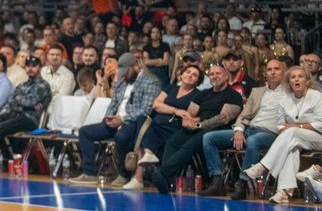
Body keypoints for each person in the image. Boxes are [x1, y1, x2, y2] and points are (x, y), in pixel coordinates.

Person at [148, 62, 244, 195]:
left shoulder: (233, 95)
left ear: (226, 76)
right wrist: (188, 121)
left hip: (220, 130)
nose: (214, 76)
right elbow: (190, 113)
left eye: (218, 73)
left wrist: (199, 124)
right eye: (211, 74)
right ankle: (167, 181)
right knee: (174, 140)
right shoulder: (203, 94)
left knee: (192, 142)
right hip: (200, 127)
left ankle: (163, 173)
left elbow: (223, 118)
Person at [199, 58, 288, 199]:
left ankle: (243, 182)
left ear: (284, 72)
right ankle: (217, 181)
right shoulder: (257, 91)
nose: (272, 72)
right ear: (265, 74)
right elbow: (243, 115)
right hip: (249, 129)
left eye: (276, 69)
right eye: (269, 69)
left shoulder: (289, 93)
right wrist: (239, 130)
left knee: (253, 141)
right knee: (209, 138)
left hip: (270, 133)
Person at [242, 66, 322, 203]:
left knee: (292, 132)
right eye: (293, 77)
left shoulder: (316, 96)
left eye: (300, 76)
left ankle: (263, 166)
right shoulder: (285, 98)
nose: (296, 79)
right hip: (295, 139)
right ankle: (283, 192)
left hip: (320, 137)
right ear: (289, 82)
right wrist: (283, 129)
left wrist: (296, 126)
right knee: (291, 150)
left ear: (307, 81)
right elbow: (279, 123)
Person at [71, 52, 160, 186]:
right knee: (84, 132)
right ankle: (89, 173)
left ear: (136, 66)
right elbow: (113, 103)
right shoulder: (122, 82)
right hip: (115, 120)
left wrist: (122, 119)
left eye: (126, 70)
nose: (123, 74)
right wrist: (108, 117)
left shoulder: (150, 82)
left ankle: (124, 173)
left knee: (121, 136)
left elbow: (146, 110)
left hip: (133, 122)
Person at [128, 64, 203, 190]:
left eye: (194, 75)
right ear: (181, 74)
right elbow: (156, 104)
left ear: (197, 81)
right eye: (188, 72)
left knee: (145, 132)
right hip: (157, 125)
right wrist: (176, 110)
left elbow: (190, 115)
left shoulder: (198, 95)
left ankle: (138, 177)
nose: (190, 75)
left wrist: (174, 112)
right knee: (142, 120)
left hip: (175, 129)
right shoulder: (170, 88)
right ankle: (148, 154)